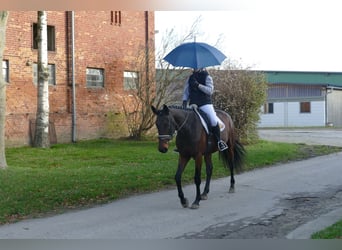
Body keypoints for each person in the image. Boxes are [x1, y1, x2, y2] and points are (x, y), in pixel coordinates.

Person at [182, 68, 228, 151]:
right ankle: (183, 144)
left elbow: (210, 91)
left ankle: (219, 142)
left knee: (214, 121)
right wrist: (184, 101)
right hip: (193, 104)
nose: (194, 68)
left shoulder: (207, 77)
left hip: (205, 104)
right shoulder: (190, 78)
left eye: (196, 67)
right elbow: (186, 91)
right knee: (184, 121)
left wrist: (198, 85)